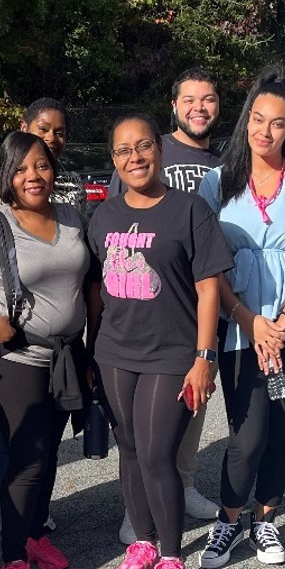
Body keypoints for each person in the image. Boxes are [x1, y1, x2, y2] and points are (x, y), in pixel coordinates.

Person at [197, 66, 285, 569]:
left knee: (284, 423)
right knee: (247, 432)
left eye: (278, 123)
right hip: (240, 326)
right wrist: (249, 319)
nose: (265, 130)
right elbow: (207, 267)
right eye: (257, 119)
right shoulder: (216, 184)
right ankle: (227, 520)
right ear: (246, 121)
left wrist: (280, 321)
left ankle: (265, 519)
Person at [89, 113, 232, 569]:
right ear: (114, 160)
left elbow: (208, 287)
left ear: (160, 150)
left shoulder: (189, 210)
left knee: (156, 454)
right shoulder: (104, 217)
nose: (135, 157)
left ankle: (172, 555)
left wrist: (204, 356)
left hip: (173, 353)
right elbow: (96, 289)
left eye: (144, 146)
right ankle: (144, 542)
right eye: (124, 150)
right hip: (114, 352)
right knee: (128, 449)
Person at [0, 131, 95, 569]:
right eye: (21, 169)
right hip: (18, 360)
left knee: (50, 453)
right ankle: (12, 563)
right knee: (26, 460)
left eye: (42, 166)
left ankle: (33, 534)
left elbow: (88, 283)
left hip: (67, 357)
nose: (33, 176)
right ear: (6, 177)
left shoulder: (73, 217)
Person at [109, 68, 226, 540]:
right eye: (190, 99)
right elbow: (117, 237)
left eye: (210, 99)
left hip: (194, 303)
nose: (200, 107)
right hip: (141, 318)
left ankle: (184, 483)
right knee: (141, 438)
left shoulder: (223, 160)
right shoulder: (149, 151)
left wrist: (207, 349)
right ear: (173, 107)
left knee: (187, 413)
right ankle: (137, 512)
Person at [0, 97, 86, 537]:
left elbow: (82, 258)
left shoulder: (72, 191)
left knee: (47, 445)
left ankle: (34, 516)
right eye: (42, 128)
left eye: (59, 131)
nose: (51, 139)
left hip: (66, 348)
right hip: (11, 336)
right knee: (6, 433)